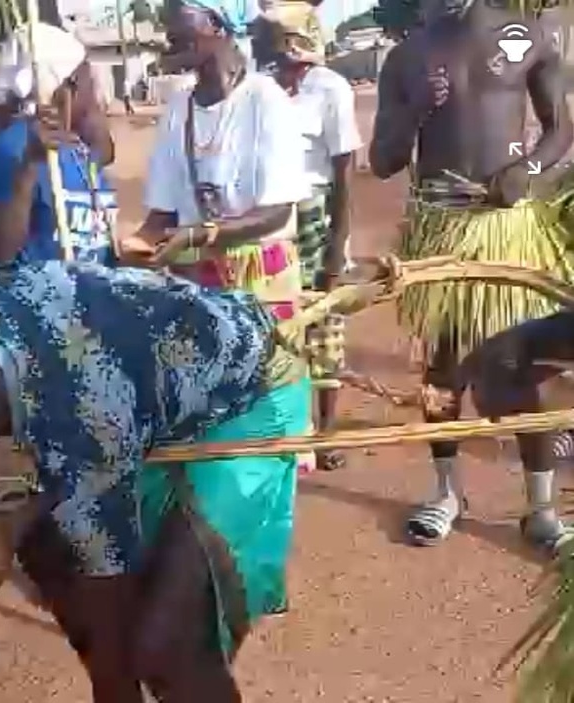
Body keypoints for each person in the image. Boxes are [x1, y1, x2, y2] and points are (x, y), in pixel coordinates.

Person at [0, 257, 311, 702]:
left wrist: (112, 687)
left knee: (168, 646)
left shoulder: (84, 422)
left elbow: (105, 573)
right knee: (54, 550)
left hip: (248, 399)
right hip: (153, 403)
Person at [369, 0, 574, 548]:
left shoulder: (525, 36)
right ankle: (445, 492)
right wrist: (415, 109)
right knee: (442, 371)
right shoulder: (407, 55)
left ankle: (541, 507)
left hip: (505, 229)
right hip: (438, 229)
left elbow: (559, 130)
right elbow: (383, 160)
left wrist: (525, 170)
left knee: (523, 366)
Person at [120, 0, 315, 469]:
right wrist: (131, 246)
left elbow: (275, 212)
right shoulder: (179, 108)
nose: (166, 29)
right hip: (197, 285)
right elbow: (161, 216)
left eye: (177, 16)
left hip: (261, 280)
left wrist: (197, 236)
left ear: (216, 21)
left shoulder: (264, 99)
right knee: (206, 421)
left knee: (264, 422)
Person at [262, 6, 363, 471]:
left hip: (316, 212)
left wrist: (336, 245)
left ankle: (326, 430)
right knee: (276, 316)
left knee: (325, 317)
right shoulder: (258, 86)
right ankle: (284, 425)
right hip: (268, 216)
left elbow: (345, 171)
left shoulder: (331, 88)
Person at [0, 22, 118, 267]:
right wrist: (29, 167)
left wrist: (90, 110)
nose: (94, 89)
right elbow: (0, 253)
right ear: (63, 85)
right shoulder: (12, 148)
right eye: (87, 78)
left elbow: (106, 152)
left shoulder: (77, 146)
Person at [464, 311, 574, 551]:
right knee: (537, 420)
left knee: (542, 416)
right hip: (501, 369)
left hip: (519, 361)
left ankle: (540, 516)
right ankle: (541, 519)